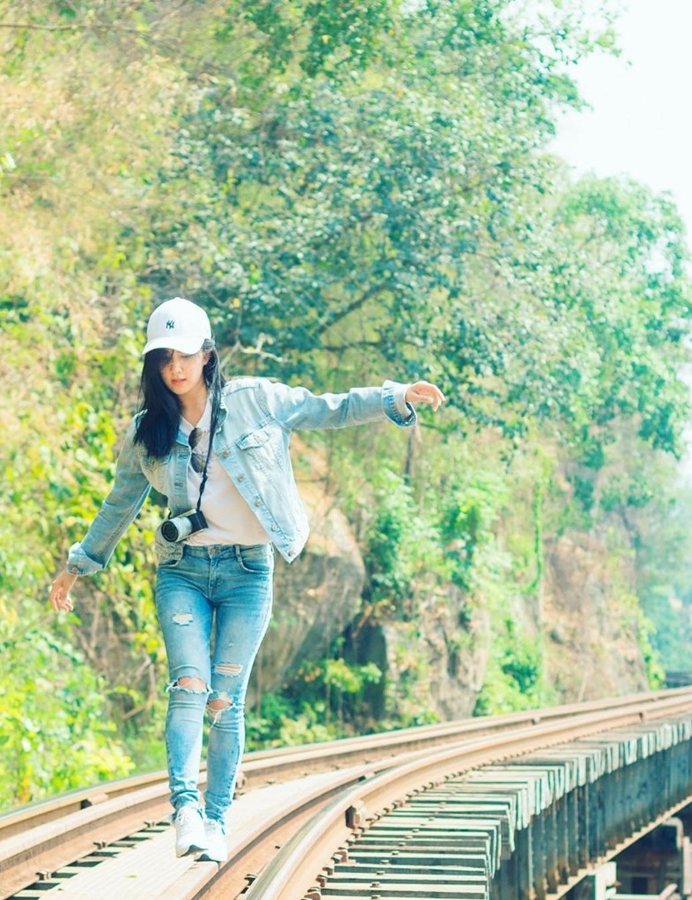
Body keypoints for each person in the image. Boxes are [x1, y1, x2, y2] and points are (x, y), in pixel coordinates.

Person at [49, 297, 445, 863]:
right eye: (164, 358)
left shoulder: (255, 400)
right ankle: (185, 811)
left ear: (207, 356)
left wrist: (394, 398)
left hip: (248, 572)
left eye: (185, 355)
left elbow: (326, 409)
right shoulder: (147, 432)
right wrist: (76, 568)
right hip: (182, 572)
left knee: (224, 700)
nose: (175, 368)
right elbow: (118, 506)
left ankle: (216, 821)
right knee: (189, 686)